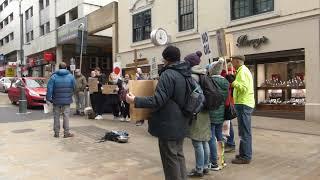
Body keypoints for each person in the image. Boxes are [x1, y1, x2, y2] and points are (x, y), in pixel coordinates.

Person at [126, 45, 189, 180]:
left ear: (166, 59)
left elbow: (158, 100)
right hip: (182, 122)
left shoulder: (168, 74)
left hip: (169, 124)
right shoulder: (185, 73)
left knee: (170, 160)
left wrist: (135, 100)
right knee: (179, 155)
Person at [184, 51, 211, 178]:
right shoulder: (204, 73)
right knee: (204, 140)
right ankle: (206, 166)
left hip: (198, 111)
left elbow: (195, 96)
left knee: (197, 142)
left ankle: (199, 169)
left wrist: (192, 110)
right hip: (206, 111)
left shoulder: (192, 77)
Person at [225, 55, 255, 164]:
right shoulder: (241, 70)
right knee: (242, 131)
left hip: (244, 103)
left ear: (237, 61)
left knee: (245, 131)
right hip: (242, 103)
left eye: (233, 61)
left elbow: (243, 88)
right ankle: (243, 153)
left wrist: (233, 82)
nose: (232, 63)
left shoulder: (243, 71)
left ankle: (246, 156)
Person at [207, 59, 229, 170]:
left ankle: (214, 162)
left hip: (211, 113)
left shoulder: (209, 81)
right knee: (219, 136)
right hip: (221, 112)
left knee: (211, 137)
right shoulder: (225, 81)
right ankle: (221, 160)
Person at [46, 62, 75, 138]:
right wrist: (70, 95)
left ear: (58, 68)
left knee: (56, 116)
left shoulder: (53, 77)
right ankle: (66, 133)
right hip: (67, 100)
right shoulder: (71, 76)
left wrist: (49, 98)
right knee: (66, 116)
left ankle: (56, 133)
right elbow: (74, 87)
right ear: (66, 68)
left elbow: (49, 88)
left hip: (56, 100)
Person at [221, 62, 236, 153]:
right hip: (229, 101)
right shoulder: (232, 74)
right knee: (227, 123)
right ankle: (229, 142)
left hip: (227, 102)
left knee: (228, 123)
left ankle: (231, 143)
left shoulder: (228, 74)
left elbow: (229, 87)